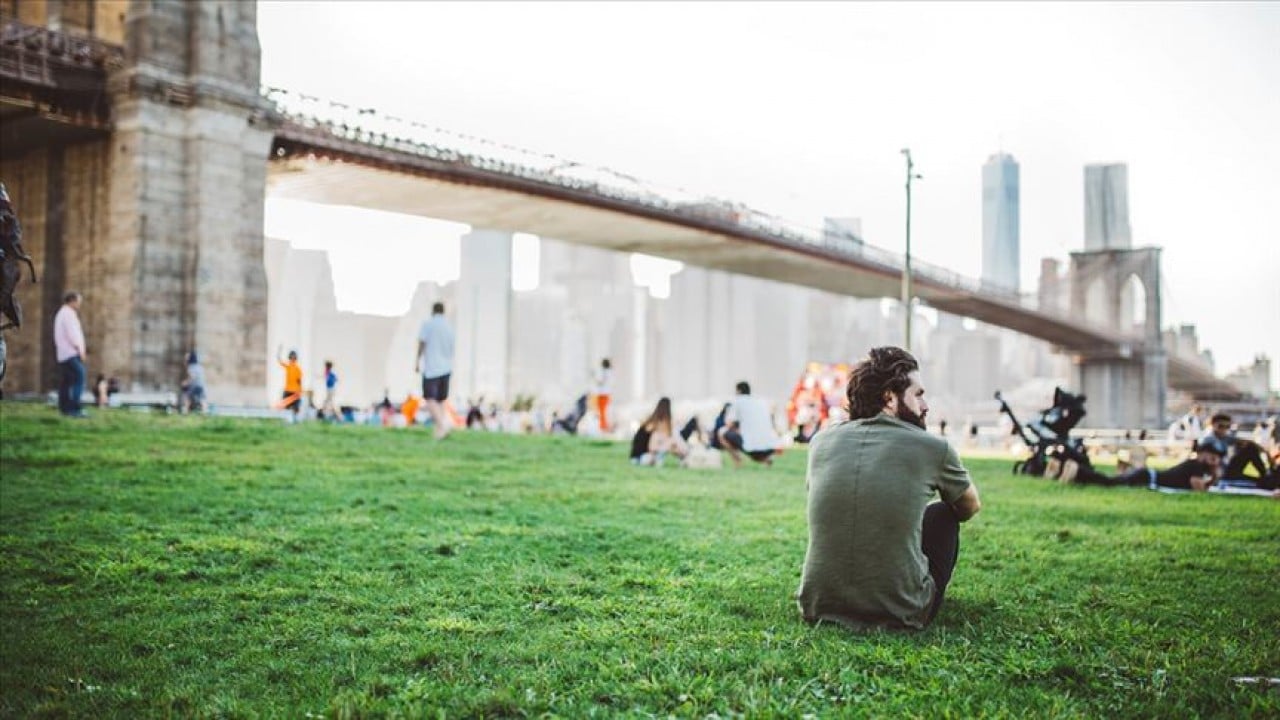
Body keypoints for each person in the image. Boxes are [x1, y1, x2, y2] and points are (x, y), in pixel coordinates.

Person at [796, 346, 981, 631]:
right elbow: (969, 507)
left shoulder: (821, 441)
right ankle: (906, 594)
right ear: (889, 398)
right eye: (918, 394)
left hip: (818, 605)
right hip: (901, 611)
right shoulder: (933, 447)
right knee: (942, 515)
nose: (925, 405)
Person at [1073, 440, 1224, 491]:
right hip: (1147, 477)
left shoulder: (1193, 464)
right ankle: (1079, 472)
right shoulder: (1196, 466)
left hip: (1147, 475)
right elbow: (1198, 489)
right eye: (1212, 458)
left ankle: (1079, 473)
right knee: (1110, 483)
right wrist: (1214, 476)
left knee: (1111, 482)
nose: (1214, 462)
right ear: (1202, 454)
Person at [416, 301, 456, 440]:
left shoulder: (428, 324)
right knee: (440, 400)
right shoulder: (449, 327)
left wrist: (417, 361)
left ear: (433, 311)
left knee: (429, 398)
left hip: (432, 368)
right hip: (447, 367)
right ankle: (440, 431)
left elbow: (422, 343)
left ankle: (443, 425)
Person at [717, 381, 780, 467]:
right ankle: (766, 458)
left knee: (721, 432)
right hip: (771, 446)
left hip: (752, 448)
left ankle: (738, 461)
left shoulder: (738, 401)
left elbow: (728, 424)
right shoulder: (760, 401)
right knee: (752, 440)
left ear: (738, 391)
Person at [53, 291, 88, 418]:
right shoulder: (68, 314)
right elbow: (73, 334)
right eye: (78, 301)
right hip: (71, 353)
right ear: (72, 301)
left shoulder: (62, 313)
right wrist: (80, 350)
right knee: (79, 378)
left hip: (63, 353)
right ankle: (74, 408)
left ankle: (64, 408)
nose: (79, 304)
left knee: (66, 381)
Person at [629, 397, 691, 466]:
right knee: (670, 441)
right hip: (640, 458)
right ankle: (685, 454)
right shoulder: (654, 424)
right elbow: (652, 447)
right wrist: (670, 447)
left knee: (670, 441)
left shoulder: (652, 421)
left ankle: (684, 454)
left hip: (638, 457)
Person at [276, 347, 303, 421]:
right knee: (285, 406)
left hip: (295, 391)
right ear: (290, 357)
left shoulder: (298, 369)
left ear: (295, 358)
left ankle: (295, 419)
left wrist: (300, 391)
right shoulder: (288, 366)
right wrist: (279, 351)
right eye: (291, 357)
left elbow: (299, 381)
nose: (292, 359)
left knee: (296, 408)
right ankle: (287, 419)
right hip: (287, 390)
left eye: (293, 357)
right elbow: (279, 360)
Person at [594, 357, 613, 432]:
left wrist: (595, 378)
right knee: (604, 411)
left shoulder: (604, 372)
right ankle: (604, 426)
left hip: (602, 394)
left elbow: (600, 381)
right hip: (607, 394)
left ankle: (603, 426)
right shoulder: (610, 371)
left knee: (602, 411)